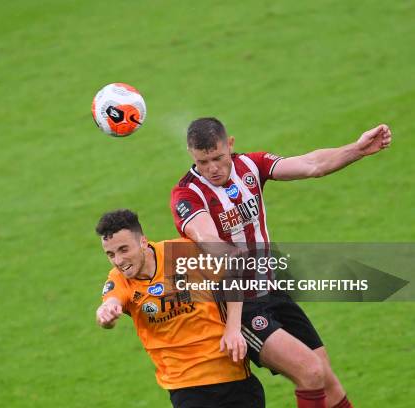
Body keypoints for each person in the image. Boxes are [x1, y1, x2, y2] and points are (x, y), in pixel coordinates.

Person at [170, 117, 392, 408]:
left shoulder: (251, 165)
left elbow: (312, 164)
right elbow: (207, 238)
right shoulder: (187, 194)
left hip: (272, 291)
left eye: (218, 158)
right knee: (310, 372)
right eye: (203, 161)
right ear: (191, 155)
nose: (212, 168)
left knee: (328, 382)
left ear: (231, 146)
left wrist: (357, 149)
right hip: (238, 308)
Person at [95, 209, 265, 408]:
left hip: (231, 371)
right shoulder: (119, 279)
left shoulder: (181, 253)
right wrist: (105, 312)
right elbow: (111, 302)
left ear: (143, 241)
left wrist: (233, 328)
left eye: (124, 250)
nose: (118, 261)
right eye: (110, 254)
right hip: (184, 385)